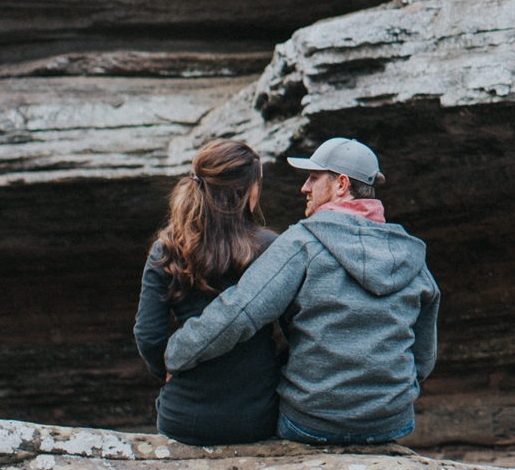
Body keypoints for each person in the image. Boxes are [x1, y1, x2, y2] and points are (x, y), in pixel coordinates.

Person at [165, 137, 440, 445]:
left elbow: (238, 313)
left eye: (313, 178)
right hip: (391, 423)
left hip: (311, 424)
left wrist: (175, 355)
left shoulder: (303, 243)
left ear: (341, 185)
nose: (304, 188)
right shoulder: (410, 254)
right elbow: (424, 357)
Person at [134, 138, 282, 445]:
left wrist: (167, 368)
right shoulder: (270, 248)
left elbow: (148, 335)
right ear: (244, 191)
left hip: (184, 419)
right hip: (255, 417)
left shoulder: (167, 249)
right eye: (258, 183)